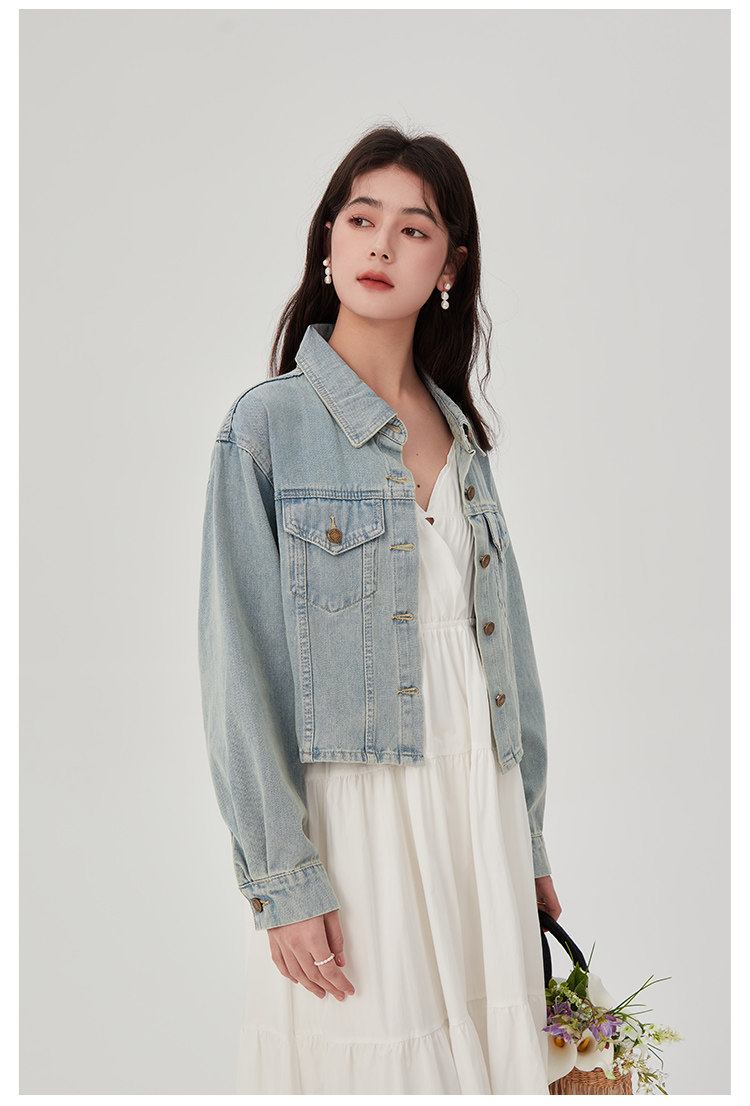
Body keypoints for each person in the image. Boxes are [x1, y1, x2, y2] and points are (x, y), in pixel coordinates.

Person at [197, 123, 563, 1094]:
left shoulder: (461, 435)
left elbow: (507, 652)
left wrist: (527, 838)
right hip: (356, 819)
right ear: (327, 240)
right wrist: (283, 877)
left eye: (414, 228)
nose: (381, 245)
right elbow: (239, 668)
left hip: (476, 809)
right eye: (361, 220)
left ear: (450, 265)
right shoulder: (266, 427)